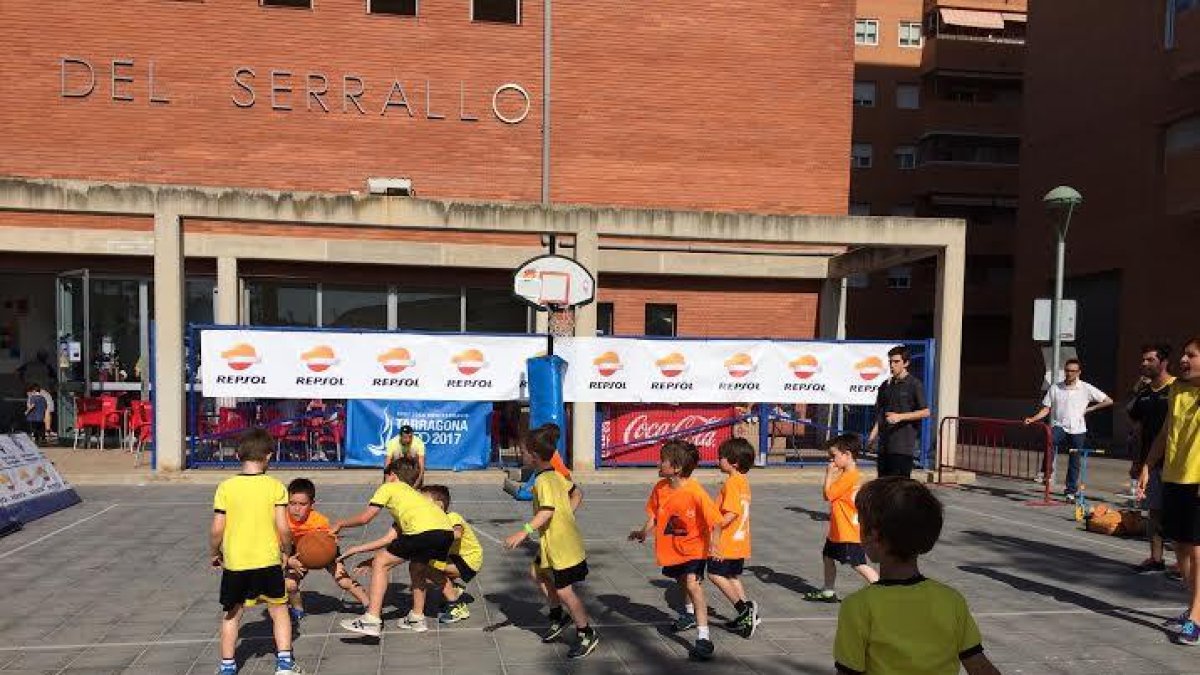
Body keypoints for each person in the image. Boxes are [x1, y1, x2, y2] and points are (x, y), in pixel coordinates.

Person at [834, 477, 1000, 675]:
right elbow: (980, 667)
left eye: (860, 524)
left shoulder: (858, 607)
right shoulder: (951, 601)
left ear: (874, 536)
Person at [209, 429, 302, 675]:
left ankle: (227, 666)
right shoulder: (275, 487)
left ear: (238, 454)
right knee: (280, 611)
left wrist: (214, 551)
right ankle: (284, 663)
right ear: (269, 456)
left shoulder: (226, 487)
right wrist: (287, 551)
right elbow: (283, 527)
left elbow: (217, 528)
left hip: (236, 562)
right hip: (267, 560)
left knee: (232, 614)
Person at [504, 423, 600, 659]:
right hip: (553, 543)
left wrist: (523, 532)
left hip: (562, 546)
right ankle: (558, 616)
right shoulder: (555, 474)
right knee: (537, 573)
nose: (522, 454)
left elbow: (546, 511)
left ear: (534, 456)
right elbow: (577, 492)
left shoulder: (544, 481)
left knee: (566, 591)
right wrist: (567, 513)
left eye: (524, 451)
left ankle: (586, 633)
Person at [334, 456, 454, 637]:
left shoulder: (389, 487)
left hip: (424, 533)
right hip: (446, 533)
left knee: (381, 562)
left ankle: (371, 619)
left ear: (392, 475)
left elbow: (366, 518)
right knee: (417, 567)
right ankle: (417, 617)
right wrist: (356, 550)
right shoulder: (414, 497)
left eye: (385, 474)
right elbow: (390, 539)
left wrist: (340, 523)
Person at [629, 439, 722, 660]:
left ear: (676, 468)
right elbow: (654, 514)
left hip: (695, 548)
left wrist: (714, 545)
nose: (659, 464)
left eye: (663, 461)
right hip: (673, 549)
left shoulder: (695, 492)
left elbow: (716, 521)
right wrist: (644, 532)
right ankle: (689, 615)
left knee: (692, 584)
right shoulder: (660, 488)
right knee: (681, 581)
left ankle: (704, 637)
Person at [1137, 337, 1200, 645]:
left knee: (1198, 551)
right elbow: (1165, 433)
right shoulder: (1177, 389)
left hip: (1197, 481)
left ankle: (1197, 617)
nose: (1184, 360)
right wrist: (1149, 465)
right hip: (1175, 477)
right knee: (1183, 549)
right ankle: (1193, 609)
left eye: (1192, 355)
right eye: (1184, 354)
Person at [281, 478, 370, 623]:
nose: (296, 508)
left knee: (343, 581)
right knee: (290, 584)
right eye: (292, 503)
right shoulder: (282, 520)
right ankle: (297, 608)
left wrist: (333, 545)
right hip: (296, 552)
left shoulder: (319, 521)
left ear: (311, 505)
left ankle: (369, 604)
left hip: (322, 550)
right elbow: (277, 548)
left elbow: (329, 541)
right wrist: (289, 560)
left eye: (302, 504)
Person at [1024, 357, 1113, 499]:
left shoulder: (1085, 387)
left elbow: (1108, 401)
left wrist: (1090, 409)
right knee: (1049, 441)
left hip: (1078, 429)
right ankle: (1046, 472)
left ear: (1079, 372)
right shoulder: (1056, 387)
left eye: (1073, 371)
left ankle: (1070, 491)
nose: (1069, 373)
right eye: (1067, 371)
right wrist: (1033, 418)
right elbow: (1046, 408)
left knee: (1074, 459)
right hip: (1060, 425)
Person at [806, 433, 879, 603]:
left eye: (834, 456)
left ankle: (883, 589)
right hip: (838, 530)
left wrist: (829, 474)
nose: (831, 461)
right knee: (828, 556)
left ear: (847, 455)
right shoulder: (850, 475)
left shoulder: (849, 476)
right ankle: (828, 591)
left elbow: (828, 494)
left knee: (858, 564)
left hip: (847, 532)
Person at [1128, 345, 1175, 573]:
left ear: (1163, 362)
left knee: (1179, 512)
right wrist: (1137, 462)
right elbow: (1137, 430)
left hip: (1179, 462)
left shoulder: (1179, 388)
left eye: (1150, 360)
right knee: (1154, 511)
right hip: (1151, 462)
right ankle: (1156, 559)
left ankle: (1184, 563)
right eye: (1143, 360)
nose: (1144, 364)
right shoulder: (1144, 395)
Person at [708, 437, 760, 638]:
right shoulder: (743, 482)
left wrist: (716, 534)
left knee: (714, 574)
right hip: (740, 541)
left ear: (734, 462)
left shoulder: (731, 483)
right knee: (731, 576)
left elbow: (731, 513)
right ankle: (749, 612)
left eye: (721, 457)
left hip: (727, 542)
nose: (718, 460)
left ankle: (744, 610)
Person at [420, 484, 483, 624]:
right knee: (427, 569)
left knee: (430, 568)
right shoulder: (432, 521)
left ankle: (457, 606)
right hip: (455, 557)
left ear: (439, 505)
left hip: (469, 559)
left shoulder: (452, 517)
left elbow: (457, 533)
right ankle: (453, 589)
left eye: (423, 502)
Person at [869, 346, 930, 478]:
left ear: (906, 363)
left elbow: (925, 412)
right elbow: (881, 413)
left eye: (896, 362)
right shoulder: (885, 385)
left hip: (903, 447)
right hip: (884, 445)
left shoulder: (914, 384)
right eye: (890, 362)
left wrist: (900, 417)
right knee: (883, 485)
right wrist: (873, 435)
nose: (892, 365)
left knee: (899, 486)